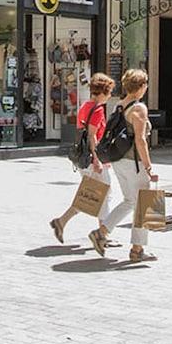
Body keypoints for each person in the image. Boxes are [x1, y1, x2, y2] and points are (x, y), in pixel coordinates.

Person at [89, 68, 157, 264]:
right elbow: (140, 140)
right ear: (141, 86)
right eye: (145, 84)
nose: (146, 88)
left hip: (119, 160)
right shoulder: (139, 108)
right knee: (144, 204)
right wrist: (149, 166)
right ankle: (137, 249)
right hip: (134, 162)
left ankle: (101, 232)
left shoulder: (119, 105)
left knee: (129, 201)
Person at [51, 73, 117, 244]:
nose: (110, 95)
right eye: (109, 92)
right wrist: (97, 159)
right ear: (102, 92)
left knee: (90, 194)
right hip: (93, 159)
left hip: (82, 158)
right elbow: (92, 136)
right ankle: (102, 234)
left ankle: (61, 222)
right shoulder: (97, 110)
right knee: (104, 193)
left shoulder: (85, 106)